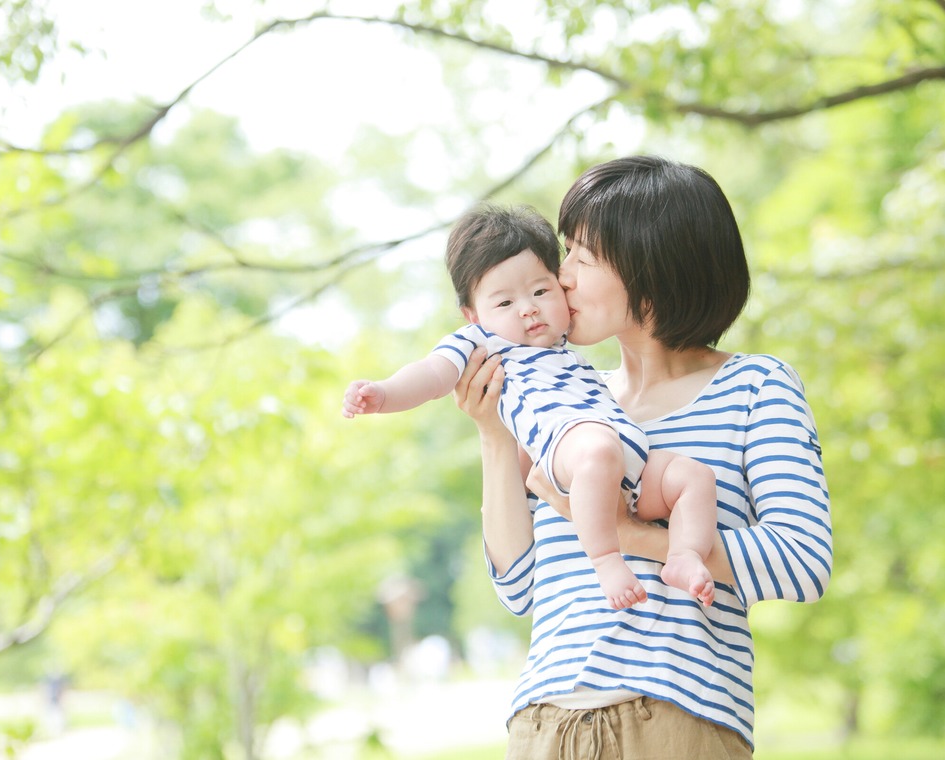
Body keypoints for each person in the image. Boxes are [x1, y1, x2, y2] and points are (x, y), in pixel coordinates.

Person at [454, 156, 831, 758]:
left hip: (677, 719)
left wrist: (630, 535)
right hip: (544, 722)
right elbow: (519, 587)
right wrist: (495, 435)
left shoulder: (757, 386)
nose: (562, 277)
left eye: (582, 256)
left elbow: (803, 562)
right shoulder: (567, 402)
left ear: (652, 269)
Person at [343, 204, 717, 609]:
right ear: (474, 315)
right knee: (597, 451)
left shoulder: (570, 352)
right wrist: (383, 394)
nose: (528, 308)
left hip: (629, 457)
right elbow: (432, 374)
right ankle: (607, 559)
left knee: (692, 477)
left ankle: (683, 556)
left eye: (541, 291)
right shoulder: (487, 344)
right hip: (568, 448)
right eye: (504, 303)